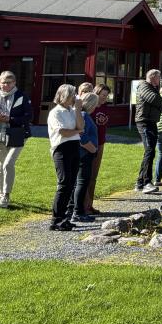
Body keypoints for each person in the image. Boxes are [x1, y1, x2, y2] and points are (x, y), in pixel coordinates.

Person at [0, 70, 31, 209]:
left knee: (8, 164)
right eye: (3, 82)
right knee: (0, 167)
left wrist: (10, 119)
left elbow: (29, 117)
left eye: (8, 82)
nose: (5, 85)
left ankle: (6, 195)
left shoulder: (22, 97)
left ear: (14, 83)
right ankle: (1, 195)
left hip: (17, 135)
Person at [47, 84, 83, 231]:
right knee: (64, 182)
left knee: (71, 182)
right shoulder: (56, 112)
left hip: (74, 146)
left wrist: (79, 110)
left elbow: (82, 126)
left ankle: (64, 217)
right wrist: (77, 131)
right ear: (63, 96)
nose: (74, 97)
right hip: (61, 148)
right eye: (71, 95)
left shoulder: (72, 111)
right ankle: (56, 218)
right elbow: (63, 132)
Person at [70, 90, 100, 222]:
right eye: (95, 104)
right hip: (84, 154)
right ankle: (78, 211)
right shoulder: (83, 115)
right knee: (81, 183)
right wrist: (93, 149)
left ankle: (74, 210)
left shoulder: (81, 114)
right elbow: (81, 136)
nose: (96, 107)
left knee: (79, 183)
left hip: (82, 153)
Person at [133, 69, 162, 194]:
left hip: (151, 121)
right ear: (152, 77)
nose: (160, 80)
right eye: (158, 77)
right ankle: (146, 182)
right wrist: (160, 102)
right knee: (150, 151)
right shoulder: (144, 86)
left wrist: (161, 103)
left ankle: (140, 183)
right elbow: (156, 100)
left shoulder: (151, 87)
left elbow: (161, 103)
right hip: (144, 121)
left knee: (150, 151)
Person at [83, 84, 111, 215]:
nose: (105, 98)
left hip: (100, 144)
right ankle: (83, 205)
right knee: (86, 176)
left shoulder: (105, 107)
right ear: (97, 93)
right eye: (103, 95)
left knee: (94, 176)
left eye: (107, 95)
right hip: (89, 145)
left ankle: (90, 204)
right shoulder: (89, 108)